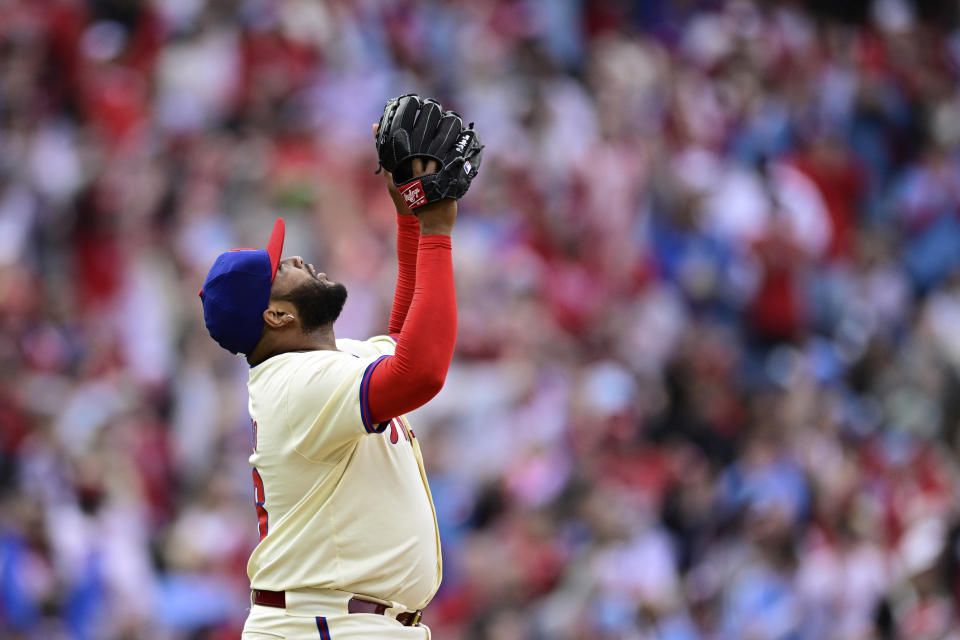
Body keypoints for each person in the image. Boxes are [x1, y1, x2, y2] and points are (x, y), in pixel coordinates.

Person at [199, 126, 460, 638]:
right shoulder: (296, 382)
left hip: (337, 619)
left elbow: (403, 340)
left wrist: (409, 218)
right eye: (279, 270)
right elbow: (422, 371)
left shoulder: (321, 363)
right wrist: (437, 231)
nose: (295, 259)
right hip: (323, 623)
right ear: (275, 315)